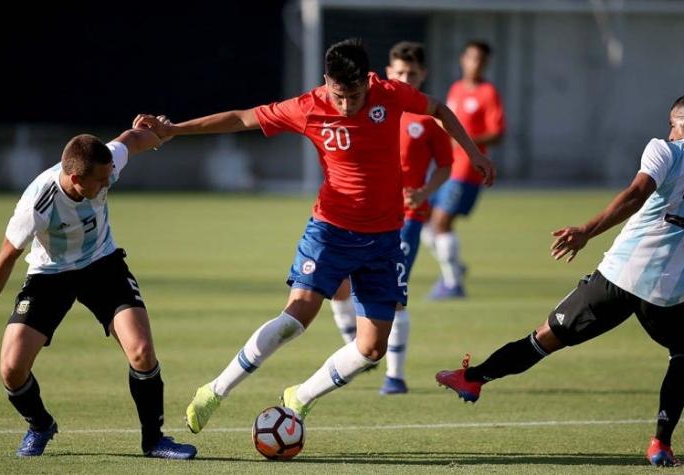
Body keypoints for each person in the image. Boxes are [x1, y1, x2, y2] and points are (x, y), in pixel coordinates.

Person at [134, 38, 494, 433]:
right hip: (331, 231)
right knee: (297, 317)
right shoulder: (308, 107)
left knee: (372, 349)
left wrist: (473, 153)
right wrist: (174, 131)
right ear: (327, 82)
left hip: (385, 237)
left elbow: (438, 108)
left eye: (354, 96)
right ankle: (216, 390)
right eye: (339, 96)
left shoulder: (389, 94)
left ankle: (300, 397)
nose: (346, 105)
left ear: (367, 84)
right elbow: (241, 118)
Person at [435, 88, 684, 467]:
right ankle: (661, 444)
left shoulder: (665, 150)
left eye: (673, 124)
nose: (669, 132)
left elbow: (635, 194)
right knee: (682, 354)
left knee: (544, 339)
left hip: (620, 276)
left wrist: (585, 230)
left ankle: (475, 378)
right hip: (671, 292)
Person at [0, 120, 197, 459]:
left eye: (108, 177)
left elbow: (130, 140)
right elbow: (4, 260)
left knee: (142, 352)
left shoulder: (106, 164)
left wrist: (160, 134)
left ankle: (154, 440)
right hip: (50, 274)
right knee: (12, 369)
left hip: (103, 266)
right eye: (100, 181)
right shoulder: (36, 205)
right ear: (75, 179)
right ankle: (40, 424)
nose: (107, 184)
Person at [329, 41, 453, 395]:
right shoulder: (370, 107)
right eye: (399, 72)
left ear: (423, 74)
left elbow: (446, 165)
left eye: (412, 73)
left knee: (392, 297)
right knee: (337, 287)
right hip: (357, 217)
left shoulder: (426, 118)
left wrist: (425, 193)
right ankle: (359, 350)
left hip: (405, 218)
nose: (405, 77)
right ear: (387, 72)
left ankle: (394, 376)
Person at [423, 40, 506, 299]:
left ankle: (453, 284)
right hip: (445, 167)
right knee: (422, 218)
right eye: (471, 58)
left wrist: (467, 141)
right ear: (463, 59)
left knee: (441, 223)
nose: (475, 63)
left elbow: (498, 133)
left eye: (480, 59)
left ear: (486, 63)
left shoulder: (488, 93)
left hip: (467, 170)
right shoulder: (456, 89)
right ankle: (454, 265)